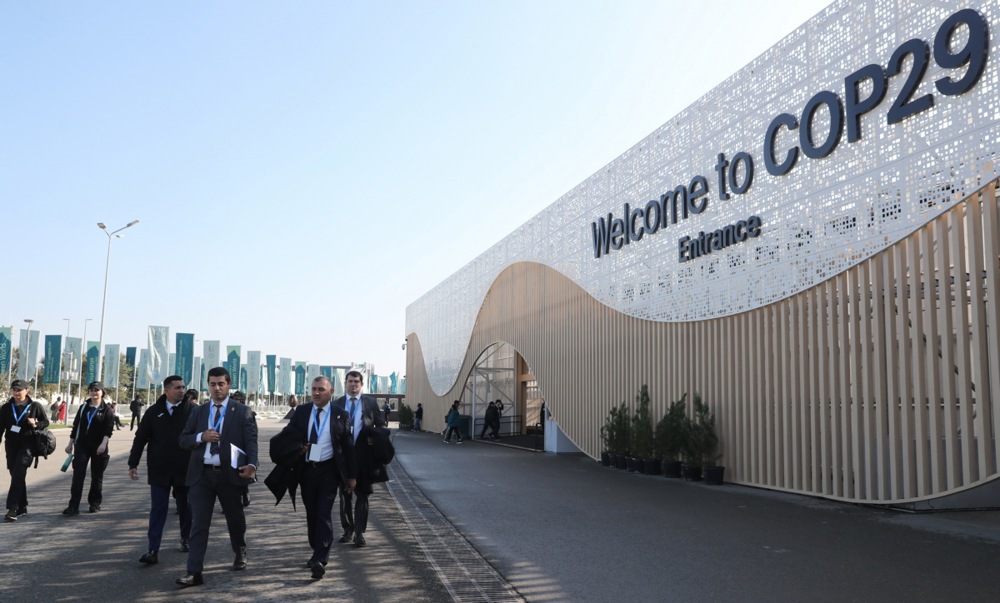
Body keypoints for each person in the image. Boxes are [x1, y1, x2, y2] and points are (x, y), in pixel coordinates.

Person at [175, 367, 258, 588]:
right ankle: (194, 572)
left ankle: (240, 550)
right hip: (201, 476)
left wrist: (251, 465)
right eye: (212, 384)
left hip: (229, 476)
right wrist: (201, 437)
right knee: (199, 525)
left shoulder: (241, 411)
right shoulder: (198, 412)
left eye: (221, 384)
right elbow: (183, 440)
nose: (217, 388)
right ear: (208, 385)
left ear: (229, 384)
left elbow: (251, 442)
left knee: (235, 519)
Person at [280, 376, 356, 579]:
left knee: (323, 513)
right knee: (312, 514)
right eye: (313, 389)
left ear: (331, 392)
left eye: (321, 389)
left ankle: (321, 558)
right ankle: (316, 549)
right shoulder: (302, 412)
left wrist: (351, 476)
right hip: (306, 471)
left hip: (329, 472)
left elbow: (348, 448)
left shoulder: (341, 415)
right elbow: (288, 435)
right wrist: (298, 448)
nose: (316, 393)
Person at [127, 375, 195, 565]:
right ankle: (153, 549)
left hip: (184, 468)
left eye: (183, 387)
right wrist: (133, 463)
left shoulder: (193, 411)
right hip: (159, 469)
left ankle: (186, 538)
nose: (182, 390)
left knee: (186, 506)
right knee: (158, 509)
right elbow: (140, 438)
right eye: (177, 388)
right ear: (166, 390)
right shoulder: (153, 412)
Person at [333, 370, 385, 548]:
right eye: (350, 381)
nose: (353, 385)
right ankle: (348, 529)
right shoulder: (337, 403)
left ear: (362, 384)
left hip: (364, 457)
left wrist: (375, 438)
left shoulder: (370, 403)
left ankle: (359, 533)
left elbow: (381, 425)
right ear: (345, 383)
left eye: (356, 382)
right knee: (344, 495)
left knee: (363, 495)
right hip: (343, 458)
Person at [63, 381, 116, 515]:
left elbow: (108, 429)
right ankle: (73, 506)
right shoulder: (83, 407)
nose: (93, 392)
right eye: (91, 390)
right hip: (82, 445)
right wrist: (70, 443)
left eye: (96, 390)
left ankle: (94, 503)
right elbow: (76, 427)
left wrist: (103, 444)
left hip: (99, 446)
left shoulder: (107, 410)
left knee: (97, 476)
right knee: (78, 475)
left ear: (102, 392)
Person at [1, 380, 49, 521]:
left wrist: (36, 424)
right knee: (15, 474)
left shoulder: (35, 406)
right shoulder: (6, 407)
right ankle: (22, 506)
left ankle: (12, 509)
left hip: (28, 444)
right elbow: (0, 426)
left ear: (26, 391)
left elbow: (45, 422)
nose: (16, 392)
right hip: (11, 445)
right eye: (14, 389)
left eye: (19, 390)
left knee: (18, 473)